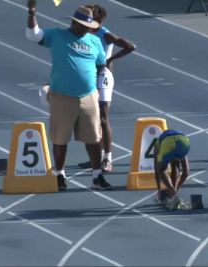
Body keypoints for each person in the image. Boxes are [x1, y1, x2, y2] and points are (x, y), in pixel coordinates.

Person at [25, 0, 112, 191]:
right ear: (75, 23)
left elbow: (101, 64)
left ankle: (97, 175)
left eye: (90, 26)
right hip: (62, 96)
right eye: (84, 26)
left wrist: (95, 85)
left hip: (88, 96)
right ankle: (60, 174)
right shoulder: (57, 35)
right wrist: (32, 12)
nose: (86, 29)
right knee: (60, 138)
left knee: (94, 138)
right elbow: (33, 35)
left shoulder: (95, 41)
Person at [78, 4, 136, 172]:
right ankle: (95, 156)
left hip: (102, 77)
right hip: (88, 77)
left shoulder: (105, 34)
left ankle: (107, 158)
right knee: (90, 120)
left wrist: (110, 60)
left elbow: (130, 46)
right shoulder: (83, 32)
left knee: (102, 118)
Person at [154, 129, 190, 210]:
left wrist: (159, 190)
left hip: (167, 143)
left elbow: (157, 173)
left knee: (161, 169)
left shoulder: (157, 146)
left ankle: (173, 195)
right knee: (175, 165)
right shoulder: (180, 140)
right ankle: (174, 194)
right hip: (183, 141)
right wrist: (175, 190)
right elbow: (186, 173)